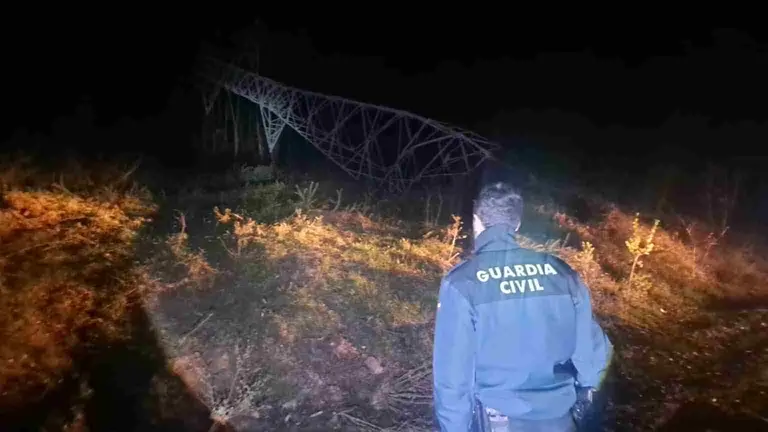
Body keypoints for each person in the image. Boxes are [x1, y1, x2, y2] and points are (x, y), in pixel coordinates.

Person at [432, 181, 613, 432]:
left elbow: (452, 379)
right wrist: (584, 401)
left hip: (500, 422)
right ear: (517, 224)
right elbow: (593, 355)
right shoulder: (560, 272)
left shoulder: (462, 283)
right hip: (561, 419)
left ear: (476, 221)